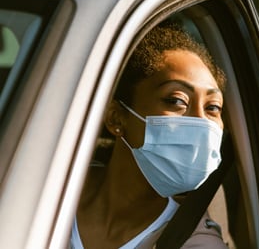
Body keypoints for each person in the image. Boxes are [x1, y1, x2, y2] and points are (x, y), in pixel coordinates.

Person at [72, 21, 229, 248]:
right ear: (116, 118)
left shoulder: (197, 243)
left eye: (212, 107)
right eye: (177, 100)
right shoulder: (40, 190)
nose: (201, 121)